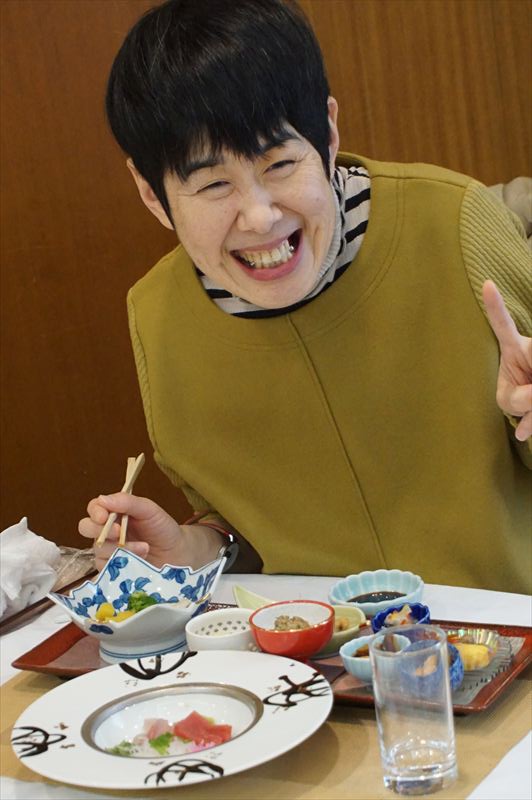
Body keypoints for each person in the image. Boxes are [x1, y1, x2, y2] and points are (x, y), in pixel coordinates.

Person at [79, 0, 531, 593]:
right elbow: (246, 533)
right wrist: (188, 549)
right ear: (150, 192)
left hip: (504, 631)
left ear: (329, 132)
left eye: (281, 164)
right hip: (316, 648)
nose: (260, 216)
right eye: (213, 184)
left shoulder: (456, 223)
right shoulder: (157, 319)